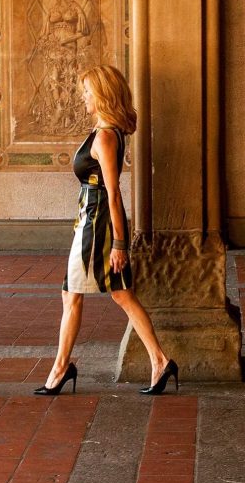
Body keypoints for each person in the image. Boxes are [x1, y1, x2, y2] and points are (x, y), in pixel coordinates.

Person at [35, 64, 178, 396]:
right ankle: (159, 361)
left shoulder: (105, 137)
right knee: (118, 293)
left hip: (96, 227)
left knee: (76, 294)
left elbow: (113, 193)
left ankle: (61, 369)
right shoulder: (104, 132)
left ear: (102, 95)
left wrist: (119, 244)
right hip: (90, 221)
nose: (83, 96)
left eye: (87, 91)